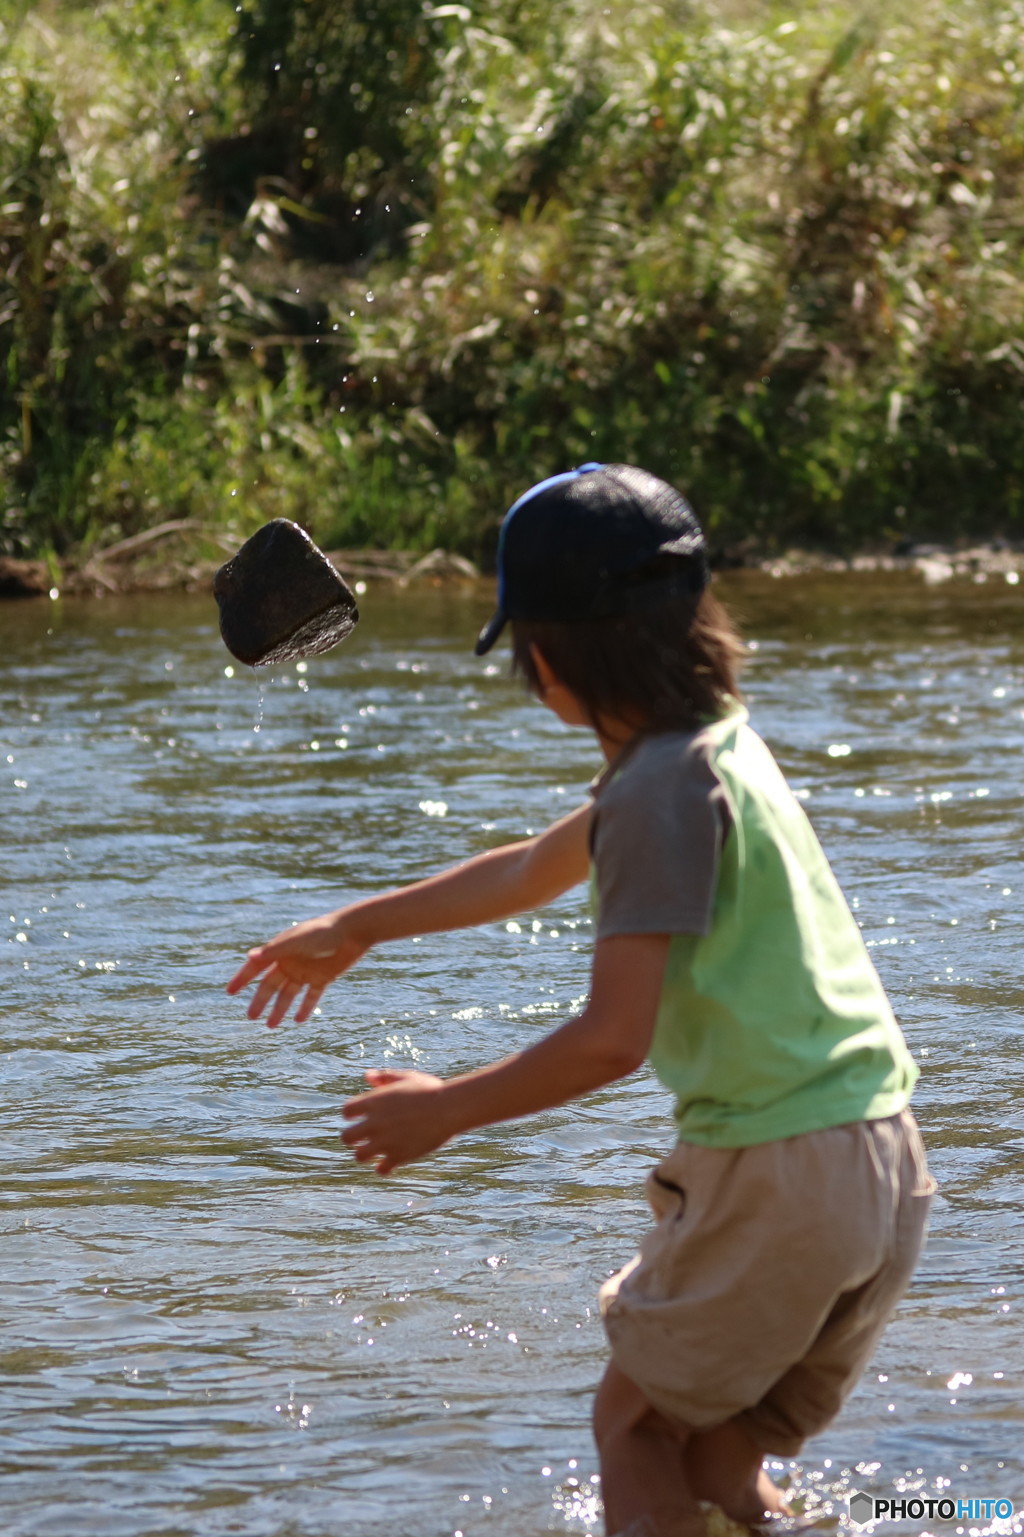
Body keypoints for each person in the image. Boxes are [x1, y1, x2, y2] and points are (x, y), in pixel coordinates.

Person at [227, 463, 933, 1537]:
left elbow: (612, 1039)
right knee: (715, 1453)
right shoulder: (713, 746)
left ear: (547, 661)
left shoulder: (653, 794)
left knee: (632, 1428)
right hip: (882, 1159)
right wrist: (358, 924)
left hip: (778, 1167)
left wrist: (446, 1107)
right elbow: (529, 869)